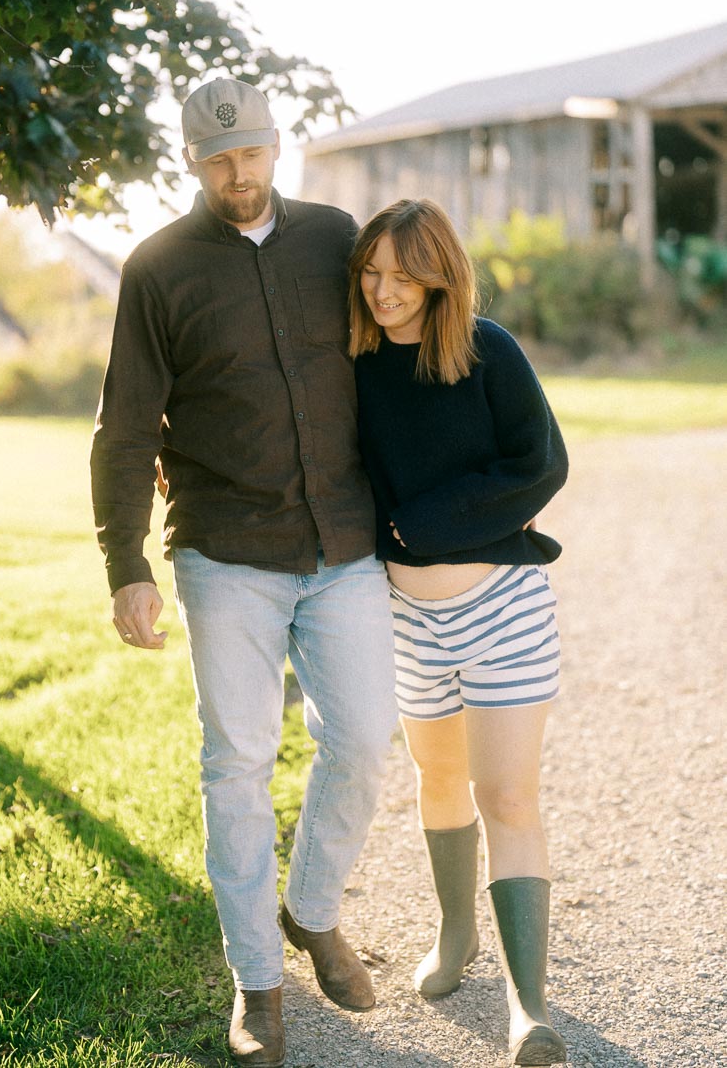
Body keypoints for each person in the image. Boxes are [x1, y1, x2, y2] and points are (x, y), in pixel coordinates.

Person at [90, 77, 398, 1068]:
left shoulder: (334, 237)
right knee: (237, 765)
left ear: (277, 145)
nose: (240, 173)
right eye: (220, 158)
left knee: (361, 737)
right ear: (191, 158)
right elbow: (126, 428)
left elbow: (390, 357)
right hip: (226, 555)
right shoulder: (157, 271)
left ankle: (311, 911)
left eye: (253, 152)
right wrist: (126, 565)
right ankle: (256, 982)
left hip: (342, 541)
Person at [349, 198, 570, 1067]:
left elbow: (541, 463)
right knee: (436, 780)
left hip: (501, 607)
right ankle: (455, 936)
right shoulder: (356, 365)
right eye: (370, 273)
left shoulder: (489, 351)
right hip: (407, 620)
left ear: (439, 275)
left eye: (403, 277)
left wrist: (421, 525)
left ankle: (529, 1007)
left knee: (507, 797)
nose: (383, 291)